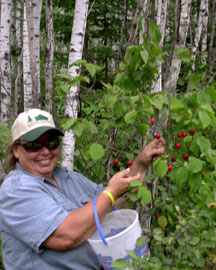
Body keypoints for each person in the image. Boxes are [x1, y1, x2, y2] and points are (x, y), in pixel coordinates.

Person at [0, 108, 165, 270]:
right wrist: (110, 193)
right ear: (16, 150)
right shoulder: (15, 190)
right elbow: (65, 236)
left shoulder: (67, 177)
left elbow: (112, 210)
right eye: (34, 145)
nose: (45, 151)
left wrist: (141, 164)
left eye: (51, 143)